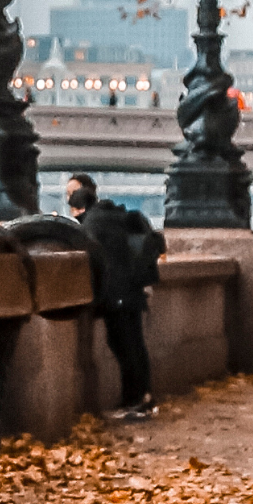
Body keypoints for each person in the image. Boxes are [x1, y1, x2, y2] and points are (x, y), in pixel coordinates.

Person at [65, 174, 164, 421]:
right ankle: (143, 398)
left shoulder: (93, 224)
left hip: (117, 295)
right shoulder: (115, 217)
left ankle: (134, 401)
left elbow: (95, 260)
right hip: (133, 291)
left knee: (125, 347)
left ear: (79, 207)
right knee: (135, 346)